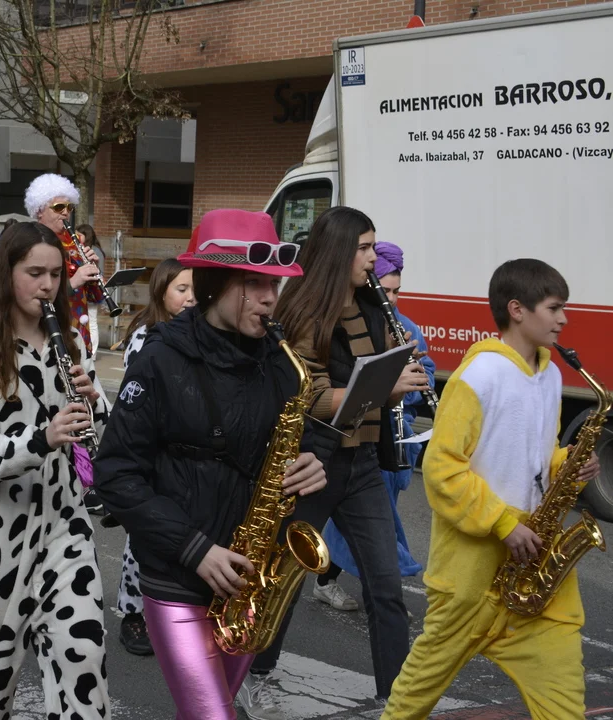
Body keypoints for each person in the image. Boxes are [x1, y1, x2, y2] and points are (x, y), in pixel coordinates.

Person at [94, 210, 327, 720]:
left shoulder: (279, 361)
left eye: (274, 284)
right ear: (215, 284)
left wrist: (310, 461)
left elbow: (291, 439)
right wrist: (194, 549)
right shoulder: (160, 359)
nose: (270, 297)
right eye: (255, 283)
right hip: (177, 574)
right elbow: (115, 474)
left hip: (249, 580)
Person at [382, 259, 600, 719]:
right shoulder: (478, 376)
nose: (564, 319)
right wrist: (503, 523)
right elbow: (442, 469)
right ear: (517, 310)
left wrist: (567, 465)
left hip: (536, 576)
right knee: (411, 701)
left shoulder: (551, 375)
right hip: (471, 579)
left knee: (565, 708)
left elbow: (534, 459)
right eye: (554, 308)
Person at [237, 206, 429, 718]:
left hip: (362, 461)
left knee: (385, 586)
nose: (372, 259)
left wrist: (399, 380)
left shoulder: (372, 307)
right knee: (286, 581)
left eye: (373, 247)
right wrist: (385, 387)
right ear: (339, 251)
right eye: (364, 248)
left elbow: (376, 382)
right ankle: (255, 674)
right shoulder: (303, 312)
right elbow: (313, 397)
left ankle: (396, 699)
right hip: (313, 463)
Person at [0, 221, 111, 719]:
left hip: (65, 524)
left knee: (84, 659)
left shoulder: (70, 342)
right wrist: (43, 437)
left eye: (56, 275)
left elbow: (99, 432)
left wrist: (95, 403)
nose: (48, 286)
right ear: (6, 273)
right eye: (34, 273)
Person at [315, 241, 432, 610]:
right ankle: (333, 582)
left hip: (395, 436)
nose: (392, 299)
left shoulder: (406, 326)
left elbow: (425, 372)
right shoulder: (348, 321)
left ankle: (372, 594)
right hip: (358, 437)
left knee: (373, 525)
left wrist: (414, 384)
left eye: (398, 291)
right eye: (387, 290)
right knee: (362, 525)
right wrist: (386, 385)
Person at [111, 257, 195, 657]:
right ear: (161, 292)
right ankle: (132, 612)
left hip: (186, 453)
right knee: (143, 533)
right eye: (182, 290)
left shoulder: (199, 331)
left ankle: (171, 609)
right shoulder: (146, 336)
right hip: (151, 450)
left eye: (196, 290)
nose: (191, 297)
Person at [24, 173, 104, 351]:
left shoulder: (76, 241)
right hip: (50, 330)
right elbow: (33, 293)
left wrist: (94, 272)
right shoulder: (31, 242)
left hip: (79, 332)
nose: (66, 212)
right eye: (59, 207)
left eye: (69, 207)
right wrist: (74, 281)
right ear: (39, 210)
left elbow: (95, 297)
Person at [77, 223, 105, 354]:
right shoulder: (86, 248)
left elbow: (98, 271)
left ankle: (92, 352)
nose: (77, 237)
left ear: (86, 235)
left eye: (79, 235)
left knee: (92, 321)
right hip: (87, 287)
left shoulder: (94, 250)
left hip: (93, 288)